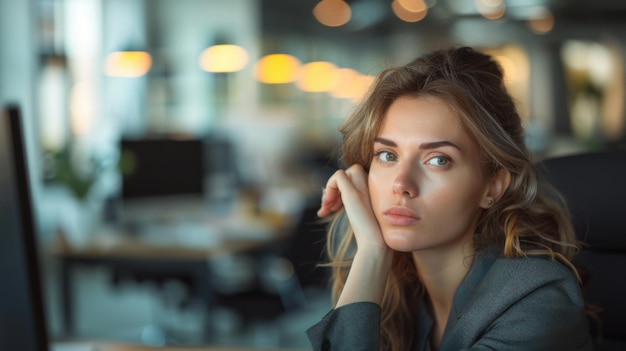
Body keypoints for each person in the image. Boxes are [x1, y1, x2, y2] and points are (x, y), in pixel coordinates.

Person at [306, 46, 592, 351]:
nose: (401, 184)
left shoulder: (537, 298)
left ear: (492, 187)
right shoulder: (393, 289)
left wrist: (372, 257)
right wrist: (371, 255)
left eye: (438, 160)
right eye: (387, 155)